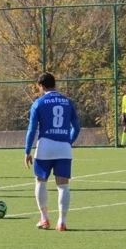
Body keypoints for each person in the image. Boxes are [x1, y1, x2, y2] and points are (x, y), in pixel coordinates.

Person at [24, 72, 81, 232]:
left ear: (41, 86)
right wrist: (68, 141)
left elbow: (32, 129)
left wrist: (27, 150)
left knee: (40, 181)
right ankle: (62, 222)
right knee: (63, 185)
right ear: (54, 84)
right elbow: (76, 128)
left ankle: (44, 218)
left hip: (45, 146)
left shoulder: (39, 103)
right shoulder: (68, 102)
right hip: (64, 147)